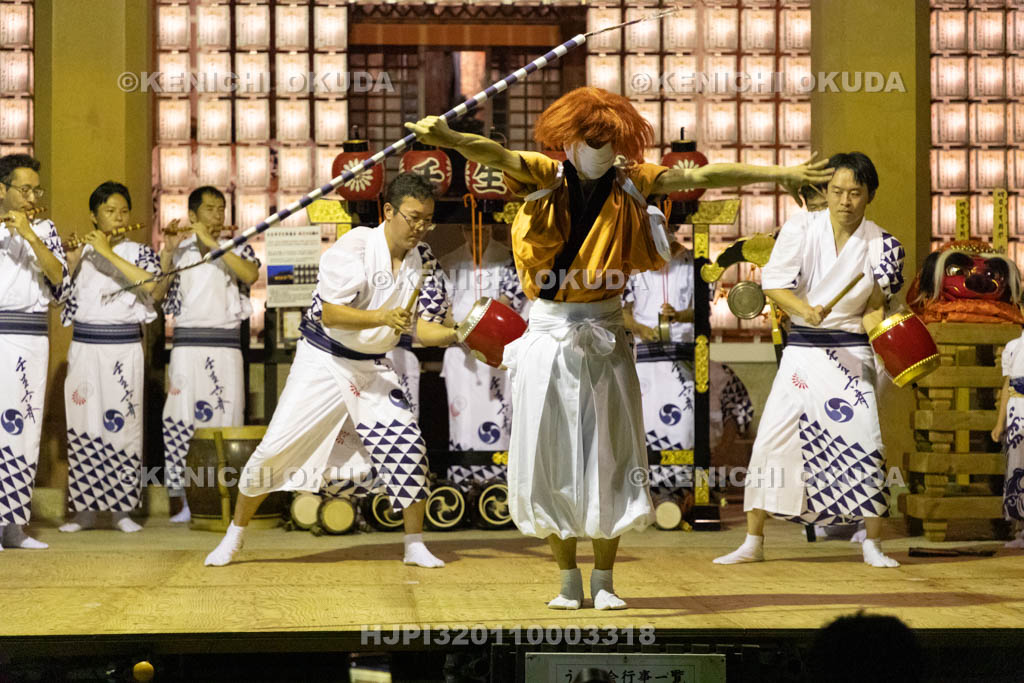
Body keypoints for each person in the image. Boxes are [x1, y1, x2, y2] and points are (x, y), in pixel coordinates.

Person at [407, 86, 832, 609]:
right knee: (551, 456)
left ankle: (605, 580)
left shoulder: (634, 181)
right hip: (549, 335)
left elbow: (701, 176)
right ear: (570, 139)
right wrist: (450, 138)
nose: (601, 150)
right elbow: (493, 154)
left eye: (610, 141)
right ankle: (567, 580)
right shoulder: (544, 175)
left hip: (606, 335)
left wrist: (780, 174)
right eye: (592, 139)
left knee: (610, 457)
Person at [204, 173, 457, 568]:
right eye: (413, 218)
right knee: (276, 448)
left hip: (372, 367)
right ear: (388, 211)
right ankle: (234, 535)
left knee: (409, 447)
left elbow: (418, 328)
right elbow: (331, 313)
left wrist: (460, 335)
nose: (421, 228)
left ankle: (414, 544)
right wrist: (382, 316)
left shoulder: (422, 260)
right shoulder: (355, 245)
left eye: (428, 220)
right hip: (323, 358)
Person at [713, 152, 905, 568]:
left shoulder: (884, 245)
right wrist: (803, 309)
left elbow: (873, 309)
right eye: (837, 191)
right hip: (802, 352)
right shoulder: (802, 227)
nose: (845, 201)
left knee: (866, 440)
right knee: (772, 440)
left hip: (851, 354)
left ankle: (872, 541)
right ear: (826, 192)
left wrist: (891, 347)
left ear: (870, 195)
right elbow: (775, 285)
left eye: (855, 193)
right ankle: (753, 540)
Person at [60, 182, 162, 534]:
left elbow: (153, 287)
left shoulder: (140, 251)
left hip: (124, 348)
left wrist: (108, 252)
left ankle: (121, 510)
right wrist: (72, 261)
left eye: (123, 211)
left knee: (124, 427)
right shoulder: (79, 251)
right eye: (109, 211)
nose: (118, 217)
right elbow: (58, 294)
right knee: (84, 425)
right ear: (94, 215)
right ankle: (85, 510)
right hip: (86, 347)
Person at [154, 186, 260, 523]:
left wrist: (215, 244)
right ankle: (187, 500)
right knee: (180, 419)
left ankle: (223, 499)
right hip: (186, 347)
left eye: (222, 209)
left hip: (226, 347)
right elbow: (156, 295)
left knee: (226, 420)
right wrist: (168, 253)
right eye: (210, 210)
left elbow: (251, 275)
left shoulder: (236, 246)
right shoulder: (179, 247)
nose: (218, 216)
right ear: (193, 216)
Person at [623, 245, 753, 492]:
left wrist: (679, 316)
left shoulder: (697, 262)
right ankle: (647, 494)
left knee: (685, 427)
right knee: (643, 426)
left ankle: (685, 493)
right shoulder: (631, 262)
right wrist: (640, 328)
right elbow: (623, 313)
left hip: (684, 354)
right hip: (646, 358)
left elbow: (704, 311)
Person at [0, 154, 69, 550]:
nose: (30, 196)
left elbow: (58, 276)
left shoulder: (45, 228)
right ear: (3, 190)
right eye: (23, 189)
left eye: (35, 190)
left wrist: (29, 234)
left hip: (30, 336)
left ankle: (13, 525)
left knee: (23, 428)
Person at [440, 223, 520, 486]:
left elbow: (507, 304)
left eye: (485, 229)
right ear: (462, 230)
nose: (478, 233)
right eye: (470, 229)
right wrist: (458, 331)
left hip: (495, 348)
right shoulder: (449, 260)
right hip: (459, 351)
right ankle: (462, 480)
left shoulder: (509, 258)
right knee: (462, 417)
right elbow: (445, 311)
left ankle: (498, 480)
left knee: (498, 413)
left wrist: (475, 329)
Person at [991, 325, 1024, 548]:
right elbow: (1007, 386)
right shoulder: (1012, 347)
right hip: (1017, 409)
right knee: (1017, 466)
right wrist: (999, 422)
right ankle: (1020, 531)